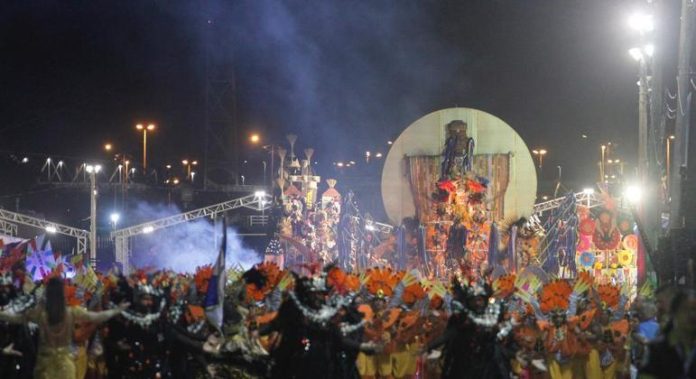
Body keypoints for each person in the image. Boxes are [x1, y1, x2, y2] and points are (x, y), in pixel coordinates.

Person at [0, 277, 128, 379]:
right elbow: (97, 317)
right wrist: (117, 310)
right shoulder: (72, 312)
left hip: (44, 367)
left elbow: (13, 318)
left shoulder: (40, 315)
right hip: (65, 366)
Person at [639, 288, 696, 378]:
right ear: (674, 313)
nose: (692, 315)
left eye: (694, 310)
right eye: (685, 310)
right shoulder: (658, 349)